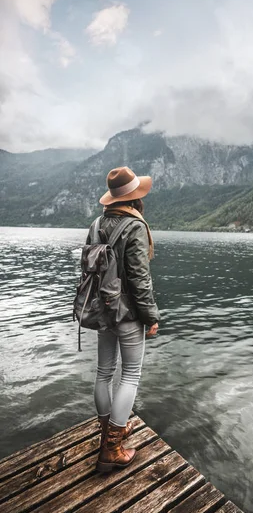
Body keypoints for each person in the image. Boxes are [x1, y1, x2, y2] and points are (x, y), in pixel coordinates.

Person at [86, 166, 160, 472]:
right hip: (128, 313)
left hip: (103, 309)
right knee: (130, 376)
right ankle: (112, 450)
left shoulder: (96, 223)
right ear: (134, 197)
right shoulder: (134, 227)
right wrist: (151, 316)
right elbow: (140, 280)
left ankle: (109, 434)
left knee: (104, 373)